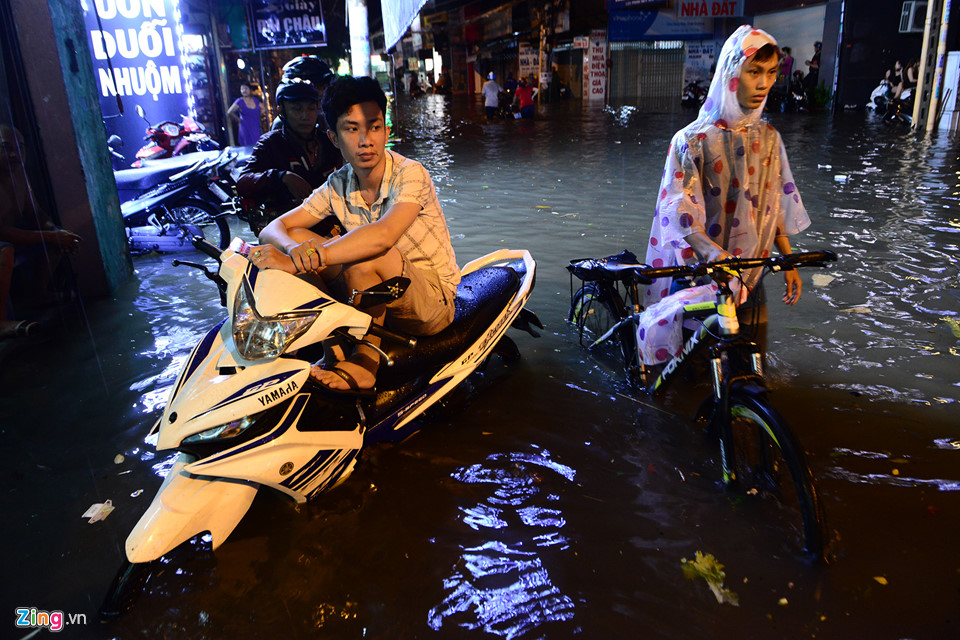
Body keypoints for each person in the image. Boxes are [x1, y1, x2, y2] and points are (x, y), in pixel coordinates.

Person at [256, 76, 460, 393]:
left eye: (374, 127)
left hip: (432, 300)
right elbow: (273, 229)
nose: (365, 140)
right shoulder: (339, 182)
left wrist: (299, 261)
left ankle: (366, 361)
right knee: (299, 240)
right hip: (378, 295)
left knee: (367, 253)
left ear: (386, 131)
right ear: (334, 138)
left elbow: (382, 236)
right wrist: (293, 255)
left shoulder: (410, 173)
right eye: (352, 129)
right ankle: (332, 349)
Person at [640, 26, 811, 363]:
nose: (763, 83)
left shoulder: (770, 139)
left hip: (752, 276)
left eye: (772, 73)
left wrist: (789, 261)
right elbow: (680, 211)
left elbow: (771, 206)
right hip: (703, 279)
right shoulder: (692, 141)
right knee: (699, 372)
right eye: (754, 72)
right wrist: (712, 253)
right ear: (733, 73)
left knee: (751, 362)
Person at [0, 125, 81, 339]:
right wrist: (50, 235)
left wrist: (52, 230)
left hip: (14, 237)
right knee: (5, 250)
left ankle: (40, 294)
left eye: (19, 148)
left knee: (60, 237)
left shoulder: (19, 175)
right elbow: (3, 233)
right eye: (5, 148)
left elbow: (36, 214)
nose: (13, 154)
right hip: (4, 241)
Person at [236, 79, 343, 234]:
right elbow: (243, 182)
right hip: (288, 232)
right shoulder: (271, 143)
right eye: (297, 109)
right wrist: (281, 177)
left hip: (332, 229)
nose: (305, 116)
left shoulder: (329, 141)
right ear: (282, 111)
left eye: (311, 109)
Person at [226, 82, 265, 147]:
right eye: (242, 89)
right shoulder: (239, 101)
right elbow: (230, 112)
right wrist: (238, 119)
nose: (244, 90)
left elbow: (263, 109)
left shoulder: (255, 100)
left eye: (246, 88)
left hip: (256, 128)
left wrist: (257, 116)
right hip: (245, 128)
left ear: (250, 90)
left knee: (258, 146)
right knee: (247, 147)